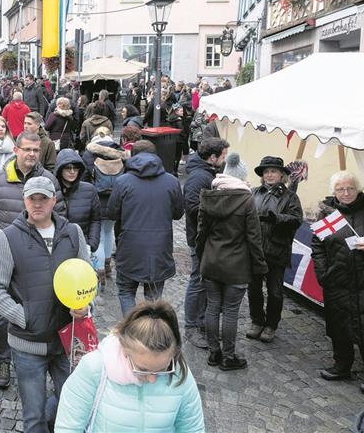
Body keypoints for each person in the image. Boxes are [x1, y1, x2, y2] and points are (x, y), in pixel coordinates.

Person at [0, 176, 90, 433]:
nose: (38, 204)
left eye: (44, 198)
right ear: (25, 200)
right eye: (33, 198)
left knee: (72, 406)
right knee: (33, 417)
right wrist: (24, 316)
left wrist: (85, 305)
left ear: (54, 200)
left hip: (67, 340)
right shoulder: (6, 237)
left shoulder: (72, 233)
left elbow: (87, 276)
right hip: (27, 344)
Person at [0, 132, 65, 390]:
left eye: (36, 150)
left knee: (41, 305)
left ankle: (41, 355)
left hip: (38, 256)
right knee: (4, 313)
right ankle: (3, 359)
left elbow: (60, 218)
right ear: (16, 150)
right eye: (27, 149)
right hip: (6, 256)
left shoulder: (48, 181)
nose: (32, 154)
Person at [56, 300, 205, 432]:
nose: (152, 379)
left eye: (162, 370)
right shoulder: (94, 367)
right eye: (142, 369)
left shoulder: (179, 371)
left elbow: (192, 428)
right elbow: (68, 426)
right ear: (125, 350)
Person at [196, 154, 267, 370]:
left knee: (212, 307)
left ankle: (213, 353)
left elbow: (201, 233)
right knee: (230, 311)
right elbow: (254, 238)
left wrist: (203, 258)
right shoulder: (247, 199)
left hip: (211, 261)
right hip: (236, 265)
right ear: (242, 176)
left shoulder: (208, 196)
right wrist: (260, 266)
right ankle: (228, 357)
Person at [312, 171, 364, 395]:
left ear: (358, 189)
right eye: (340, 189)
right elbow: (317, 246)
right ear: (334, 192)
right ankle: (342, 365)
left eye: (350, 188)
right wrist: (323, 273)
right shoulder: (328, 215)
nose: (346, 193)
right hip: (337, 281)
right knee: (339, 326)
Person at [107, 140, 184, 315]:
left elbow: (112, 213)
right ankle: (150, 334)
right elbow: (179, 213)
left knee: (126, 292)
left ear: (132, 156)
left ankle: (132, 332)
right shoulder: (171, 181)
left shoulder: (123, 182)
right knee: (154, 299)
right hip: (160, 249)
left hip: (129, 248)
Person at [247, 156, 303, 343]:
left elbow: (296, 219)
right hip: (255, 250)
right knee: (253, 288)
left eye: (273, 171)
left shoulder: (290, 197)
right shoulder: (254, 193)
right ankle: (257, 321)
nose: (269, 174)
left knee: (275, 292)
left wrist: (277, 218)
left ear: (281, 175)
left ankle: (271, 325)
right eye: (266, 171)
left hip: (276, 250)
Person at [182, 137, 229, 349]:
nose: (225, 159)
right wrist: (218, 207)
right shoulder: (199, 177)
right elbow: (192, 206)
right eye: (223, 156)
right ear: (212, 157)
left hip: (207, 237)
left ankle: (200, 321)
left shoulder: (207, 173)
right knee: (197, 281)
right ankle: (191, 325)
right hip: (199, 239)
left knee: (203, 280)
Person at [82, 130, 125, 282]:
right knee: (108, 232)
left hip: (97, 200)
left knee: (98, 236)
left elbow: (84, 179)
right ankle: (107, 264)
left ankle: (99, 269)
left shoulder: (89, 155)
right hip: (116, 200)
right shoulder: (120, 153)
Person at [54, 149, 101, 254]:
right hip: (57, 247)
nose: (72, 172)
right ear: (60, 169)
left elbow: (95, 220)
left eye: (75, 168)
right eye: (68, 168)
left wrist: (91, 244)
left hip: (83, 245)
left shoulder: (89, 190)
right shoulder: (52, 190)